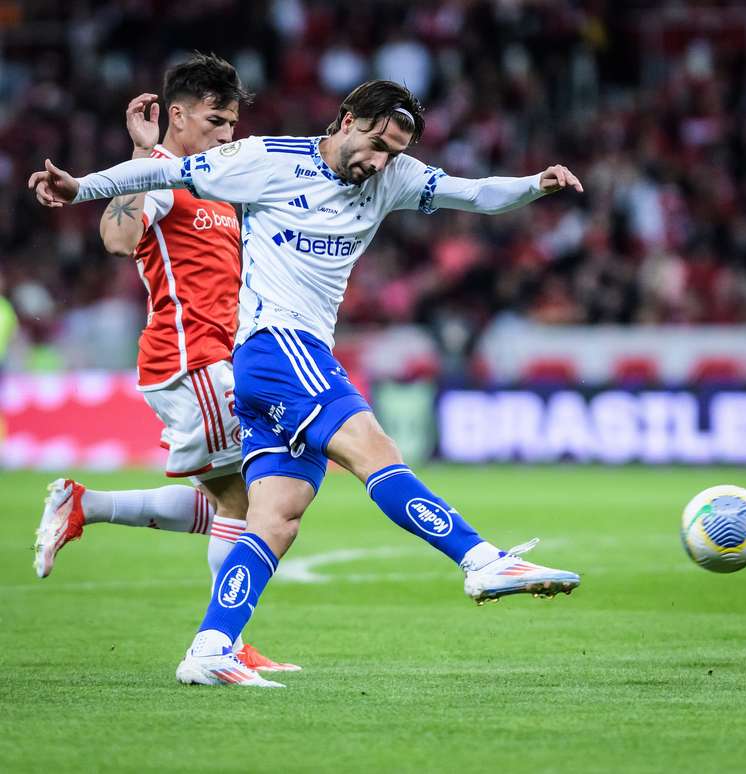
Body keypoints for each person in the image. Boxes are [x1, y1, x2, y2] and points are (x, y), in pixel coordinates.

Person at [30, 79, 583, 688]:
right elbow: (166, 173)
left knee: (275, 517)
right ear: (347, 120)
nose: (380, 161)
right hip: (274, 346)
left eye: (393, 151)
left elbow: (472, 193)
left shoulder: (392, 177)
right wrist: (81, 187)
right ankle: (481, 560)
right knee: (374, 451)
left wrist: (535, 185)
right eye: (375, 143)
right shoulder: (265, 159)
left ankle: (210, 648)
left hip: (291, 357)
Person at [31, 53, 299, 678]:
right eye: (216, 120)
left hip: (222, 358)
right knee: (252, 503)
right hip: (191, 361)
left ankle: (84, 505)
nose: (227, 134)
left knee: (243, 501)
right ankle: (221, 644)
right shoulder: (160, 178)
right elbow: (117, 239)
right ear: (177, 115)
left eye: (232, 122)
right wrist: (147, 161)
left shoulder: (217, 183)